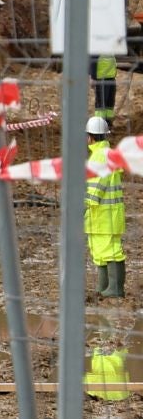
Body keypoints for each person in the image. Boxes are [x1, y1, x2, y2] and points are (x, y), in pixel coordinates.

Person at [88, 116, 127, 299]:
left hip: (104, 215)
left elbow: (96, 189)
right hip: (102, 215)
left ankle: (115, 288)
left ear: (90, 137)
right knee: (100, 250)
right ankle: (104, 285)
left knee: (111, 250)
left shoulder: (100, 156)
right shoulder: (104, 154)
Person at [88, 332, 129, 419]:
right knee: (102, 412)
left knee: (112, 412)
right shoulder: (96, 349)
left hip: (113, 391)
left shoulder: (118, 352)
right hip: (101, 390)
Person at [96, 55, 119, 123]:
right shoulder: (98, 46)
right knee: (102, 102)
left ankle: (108, 122)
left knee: (110, 101)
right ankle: (99, 124)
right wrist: (93, 77)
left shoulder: (110, 47)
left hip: (111, 77)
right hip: (101, 78)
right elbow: (93, 61)